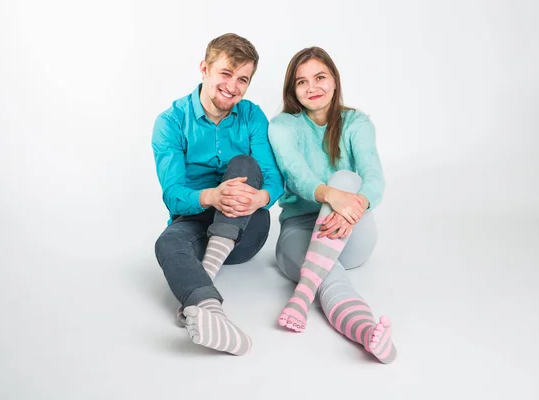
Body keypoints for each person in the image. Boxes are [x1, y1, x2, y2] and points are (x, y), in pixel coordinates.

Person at [152, 33, 284, 356]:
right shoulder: (170, 122)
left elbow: (273, 177)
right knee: (166, 242)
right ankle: (213, 313)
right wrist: (212, 197)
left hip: (247, 229)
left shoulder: (252, 116)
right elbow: (172, 194)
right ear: (205, 69)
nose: (233, 86)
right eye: (226, 74)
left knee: (244, 163)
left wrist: (259, 198)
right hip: (195, 221)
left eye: (243, 79)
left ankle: (204, 275)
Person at [267, 47, 396, 363]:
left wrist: (352, 205)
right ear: (292, 90)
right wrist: (330, 196)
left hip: (352, 232)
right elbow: (296, 176)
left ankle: (302, 293)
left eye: (320, 77)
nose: (312, 88)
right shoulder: (282, 126)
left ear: (335, 81)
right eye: (302, 82)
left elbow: (373, 175)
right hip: (299, 232)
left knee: (347, 179)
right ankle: (367, 333)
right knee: (329, 276)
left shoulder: (357, 122)